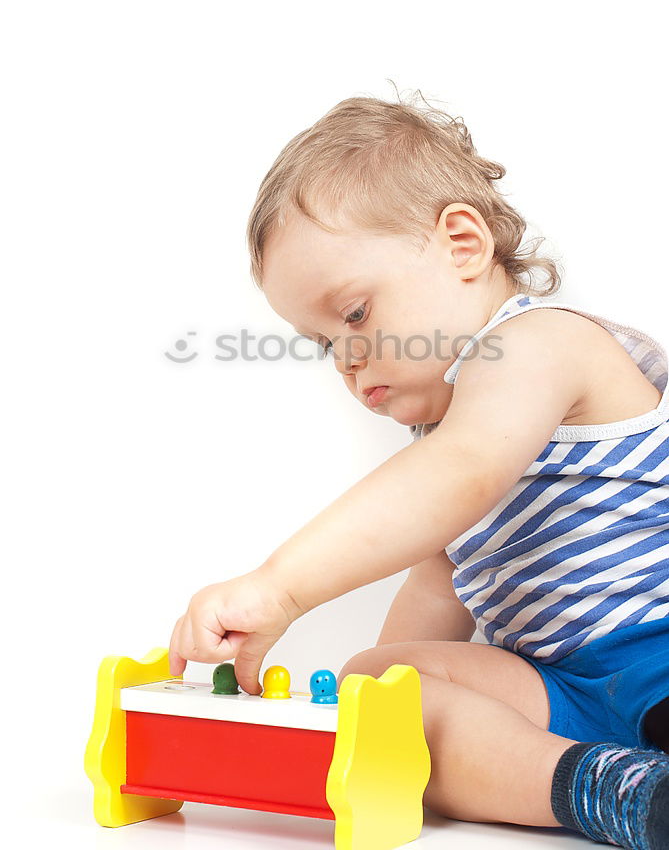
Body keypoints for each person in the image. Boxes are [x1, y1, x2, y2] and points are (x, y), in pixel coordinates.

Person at [169, 94, 669, 848]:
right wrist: (359, 730)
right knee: (384, 694)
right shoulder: (444, 434)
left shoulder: (539, 345)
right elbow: (438, 582)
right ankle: (604, 788)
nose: (344, 357)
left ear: (462, 245)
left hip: (656, 649)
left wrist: (279, 587)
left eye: (357, 314)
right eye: (320, 342)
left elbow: (459, 471)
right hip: (558, 689)